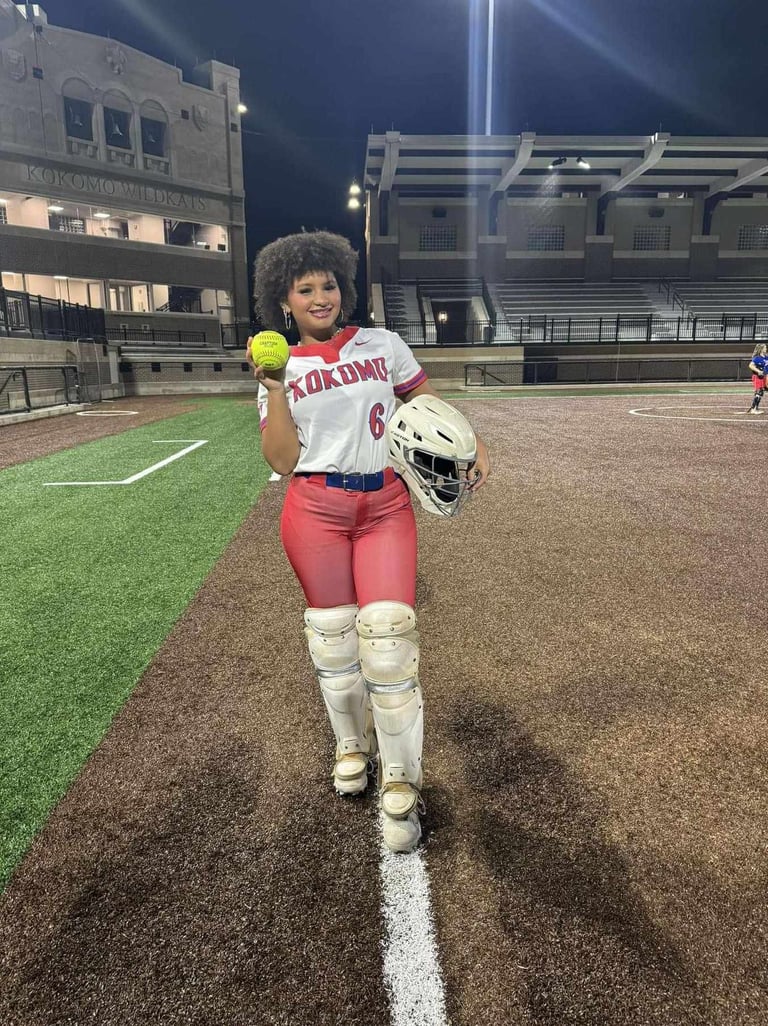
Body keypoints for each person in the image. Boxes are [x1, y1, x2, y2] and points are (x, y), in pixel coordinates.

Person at [249, 230, 490, 852]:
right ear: (284, 301)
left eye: (328, 285)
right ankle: (350, 744)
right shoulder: (281, 368)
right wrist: (274, 387)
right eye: (305, 289)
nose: (320, 297)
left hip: (385, 503)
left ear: (343, 289)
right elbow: (281, 461)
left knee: (388, 642)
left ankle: (402, 780)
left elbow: (423, 400)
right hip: (315, 509)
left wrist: (471, 440)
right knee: (334, 644)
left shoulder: (382, 344)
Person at [748, 343, 768, 414]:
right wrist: (758, 371)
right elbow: (751, 365)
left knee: (761, 391)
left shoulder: (766, 357)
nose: (766, 348)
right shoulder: (757, 358)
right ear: (761, 349)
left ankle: (755, 408)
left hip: (765, 377)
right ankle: (753, 409)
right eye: (765, 347)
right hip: (758, 377)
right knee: (759, 391)